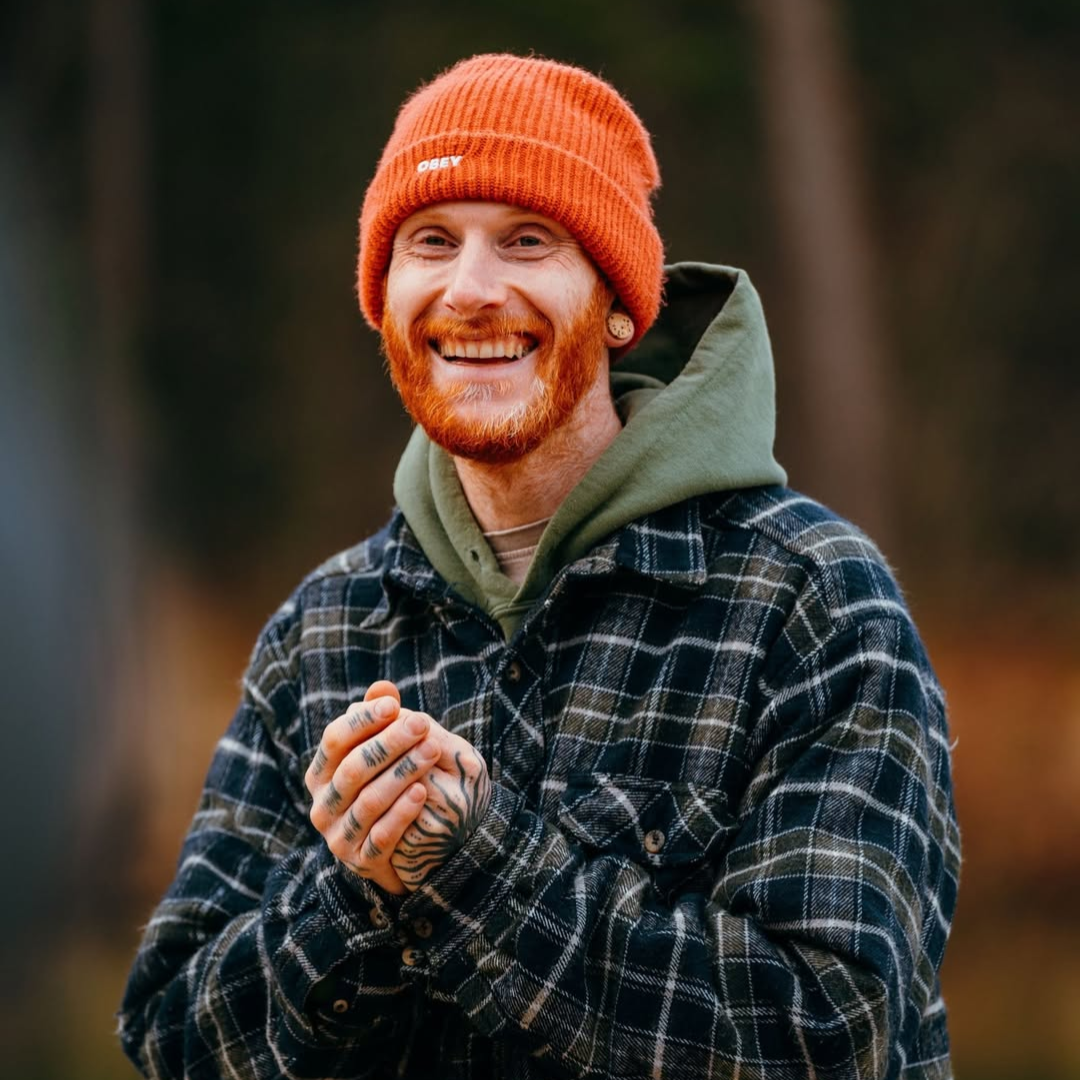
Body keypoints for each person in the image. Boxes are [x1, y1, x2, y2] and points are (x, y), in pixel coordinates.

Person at [118, 53, 961, 1080]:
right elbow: (172, 1036)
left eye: (528, 240)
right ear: (384, 300)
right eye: (432, 242)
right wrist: (359, 893)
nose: (471, 290)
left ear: (617, 305)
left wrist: (475, 864)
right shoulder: (324, 629)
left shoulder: (810, 601)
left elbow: (829, 1036)